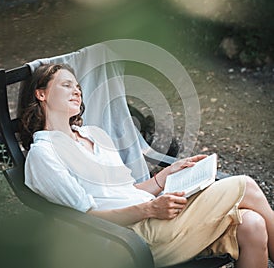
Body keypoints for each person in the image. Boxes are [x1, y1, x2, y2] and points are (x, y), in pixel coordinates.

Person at [19, 63, 273, 267]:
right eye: (66, 85)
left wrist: (165, 176)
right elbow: (85, 216)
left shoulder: (94, 135)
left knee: (252, 226)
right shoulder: (44, 154)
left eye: (77, 87)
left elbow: (126, 191)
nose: (77, 91)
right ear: (41, 94)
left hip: (153, 220)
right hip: (127, 238)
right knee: (246, 185)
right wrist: (150, 210)